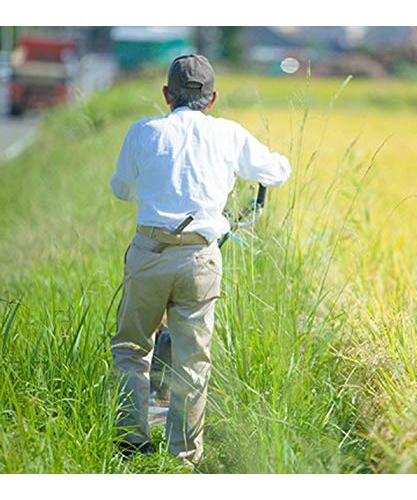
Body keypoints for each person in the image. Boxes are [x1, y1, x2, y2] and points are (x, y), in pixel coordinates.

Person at [109, 54, 291, 465]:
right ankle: (182, 457)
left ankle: (131, 443)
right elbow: (277, 170)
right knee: (192, 363)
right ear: (212, 99)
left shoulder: (143, 131)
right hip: (200, 258)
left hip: (150, 253)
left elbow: (122, 189)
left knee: (131, 348)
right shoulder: (229, 134)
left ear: (166, 94)